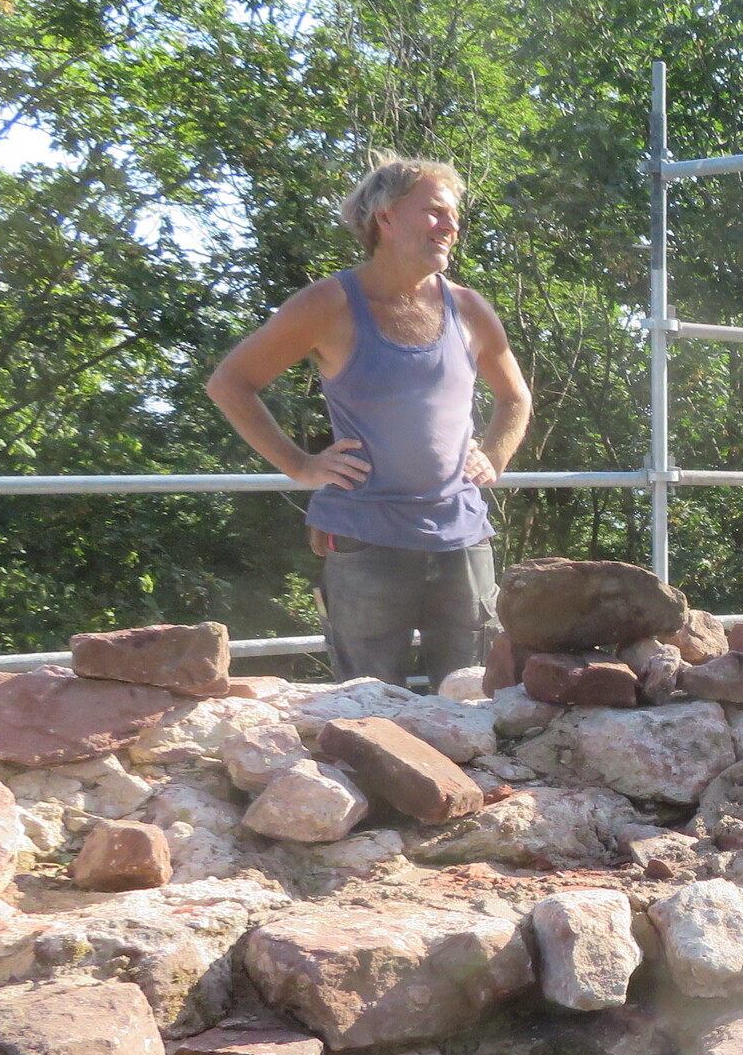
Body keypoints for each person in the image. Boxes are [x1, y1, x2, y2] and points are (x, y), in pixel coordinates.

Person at [206, 155, 531, 687]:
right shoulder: (329, 304)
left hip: (462, 536)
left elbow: (515, 398)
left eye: (453, 215)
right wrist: (301, 465)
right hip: (365, 541)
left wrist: (493, 456)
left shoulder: (470, 308)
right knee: (367, 704)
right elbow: (230, 383)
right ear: (385, 217)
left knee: (473, 696)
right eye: (434, 212)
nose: (450, 225)